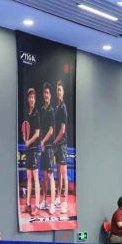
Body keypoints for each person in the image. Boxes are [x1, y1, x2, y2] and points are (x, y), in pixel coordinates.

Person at [21, 87, 41, 216]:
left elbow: (37, 134)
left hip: (33, 149)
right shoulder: (27, 115)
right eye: (30, 97)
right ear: (28, 99)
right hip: (28, 149)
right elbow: (25, 130)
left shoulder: (36, 114)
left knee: (35, 177)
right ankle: (28, 204)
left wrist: (29, 142)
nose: (32, 99)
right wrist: (25, 139)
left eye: (33, 97)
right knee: (28, 177)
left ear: (35, 99)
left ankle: (36, 205)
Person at [38, 83, 56, 214]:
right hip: (43, 147)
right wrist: (40, 142)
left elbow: (51, 130)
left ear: (50, 95)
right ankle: (44, 200)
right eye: (44, 93)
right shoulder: (42, 110)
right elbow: (41, 129)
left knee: (50, 176)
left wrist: (43, 142)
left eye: (47, 93)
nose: (46, 95)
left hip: (49, 147)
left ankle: (52, 203)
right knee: (44, 176)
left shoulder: (51, 111)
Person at [53, 80, 69, 215]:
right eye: (57, 90)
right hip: (57, 145)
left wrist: (55, 141)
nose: (58, 92)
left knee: (64, 174)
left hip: (62, 144)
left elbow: (62, 130)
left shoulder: (63, 107)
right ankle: (58, 197)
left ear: (63, 92)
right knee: (58, 173)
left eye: (60, 90)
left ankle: (65, 202)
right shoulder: (57, 107)